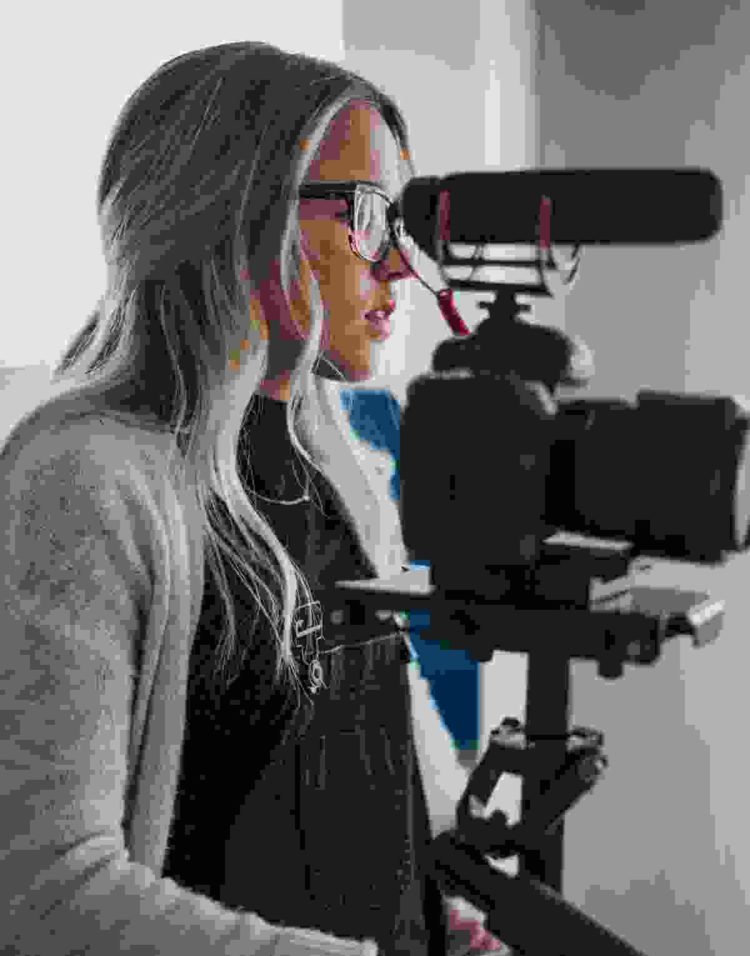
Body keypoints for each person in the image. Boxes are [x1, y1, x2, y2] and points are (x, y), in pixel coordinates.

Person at [0, 41, 483, 956]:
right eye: (370, 216)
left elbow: (375, 784)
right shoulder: (85, 480)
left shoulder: (342, 468)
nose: (402, 265)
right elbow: (46, 887)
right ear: (234, 208)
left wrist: (441, 919)